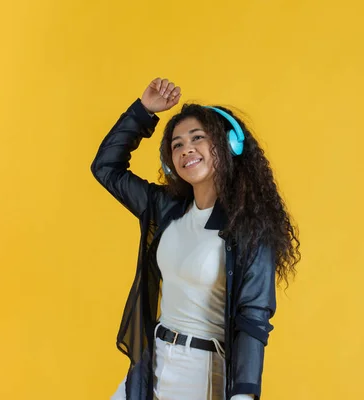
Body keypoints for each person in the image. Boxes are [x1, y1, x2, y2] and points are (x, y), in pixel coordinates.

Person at [90, 77, 301, 400]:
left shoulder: (249, 227)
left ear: (228, 145)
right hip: (153, 361)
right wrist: (144, 112)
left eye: (197, 138)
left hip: (202, 373)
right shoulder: (166, 207)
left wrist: (244, 393)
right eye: (176, 144)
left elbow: (253, 317)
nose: (186, 148)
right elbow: (106, 168)